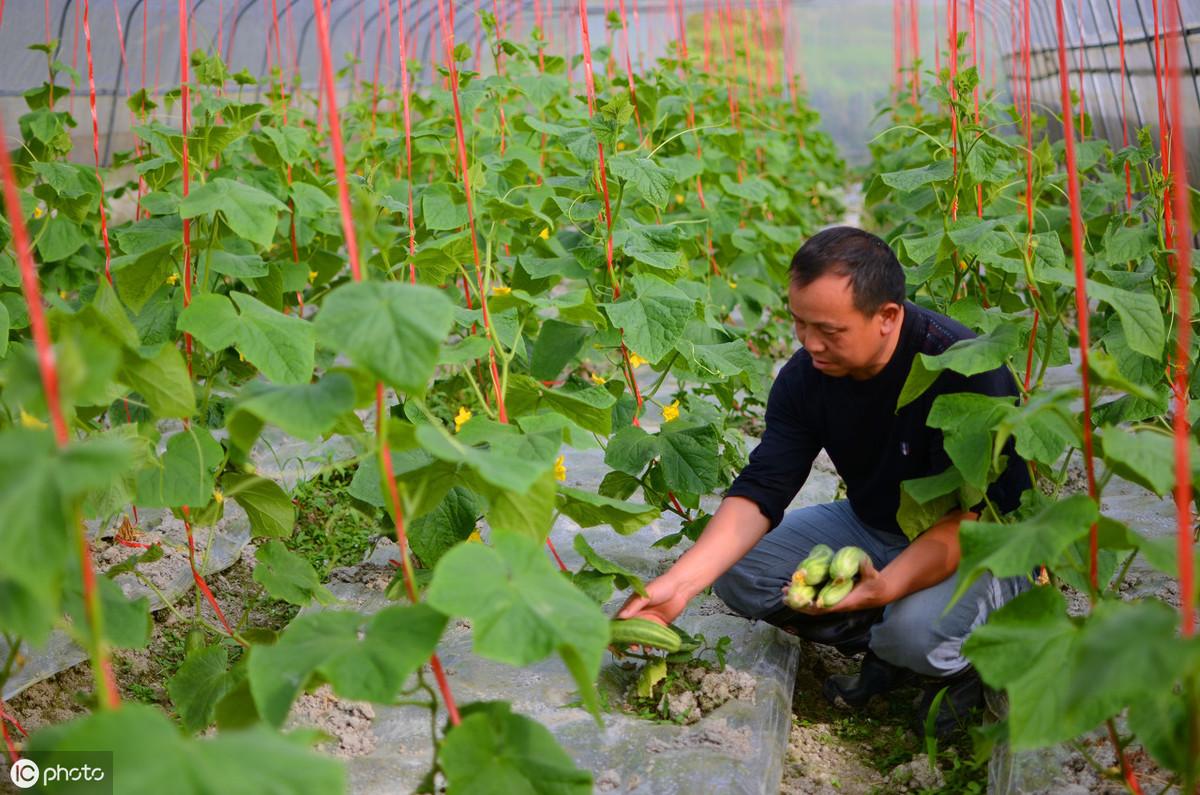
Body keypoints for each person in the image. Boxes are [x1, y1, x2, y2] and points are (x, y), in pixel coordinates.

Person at [616, 226, 1033, 738]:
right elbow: (764, 486)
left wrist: (883, 590)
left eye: (830, 331)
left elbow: (971, 521)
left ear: (887, 317)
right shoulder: (806, 376)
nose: (811, 343)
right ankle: (890, 643)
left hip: (981, 544)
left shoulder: (966, 370)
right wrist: (676, 587)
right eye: (799, 323)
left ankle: (955, 662)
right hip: (873, 525)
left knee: (914, 633)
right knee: (739, 572)